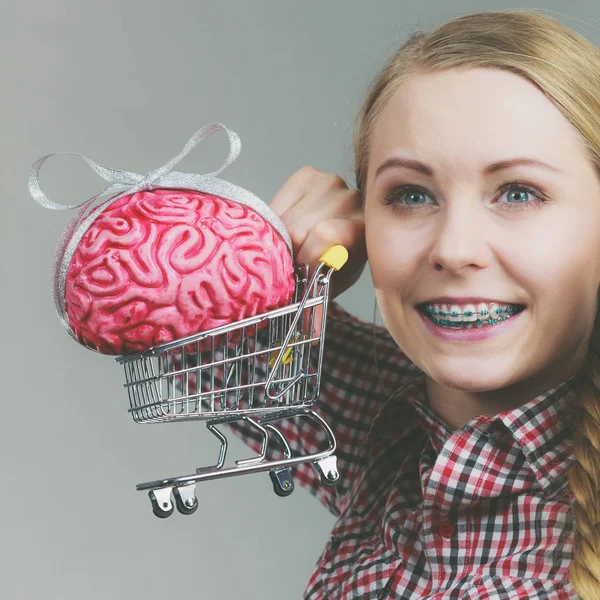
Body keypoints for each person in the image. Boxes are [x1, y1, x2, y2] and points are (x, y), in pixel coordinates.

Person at [214, 9, 600, 599]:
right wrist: (269, 252)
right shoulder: (388, 423)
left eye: (519, 192)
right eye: (411, 195)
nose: (454, 249)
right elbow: (175, 331)